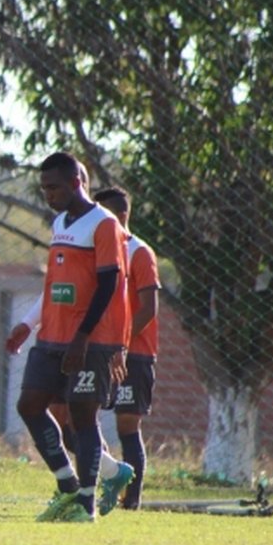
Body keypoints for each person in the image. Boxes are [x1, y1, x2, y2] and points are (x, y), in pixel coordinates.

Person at [12, 151, 130, 522]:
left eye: (54, 187)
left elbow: (109, 284)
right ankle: (66, 485)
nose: (48, 194)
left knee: (83, 418)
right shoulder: (61, 221)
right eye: (44, 188)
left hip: (90, 339)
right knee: (29, 405)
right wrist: (29, 324)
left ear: (77, 182)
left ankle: (86, 502)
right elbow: (56, 283)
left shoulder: (104, 224)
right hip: (53, 335)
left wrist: (82, 337)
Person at [92, 186, 159, 511]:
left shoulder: (139, 252)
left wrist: (123, 341)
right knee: (85, 417)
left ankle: (131, 501)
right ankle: (103, 481)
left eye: (102, 214)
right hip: (102, 350)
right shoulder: (100, 251)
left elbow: (148, 307)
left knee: (127, 424)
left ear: (120, 216)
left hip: (134, 353)